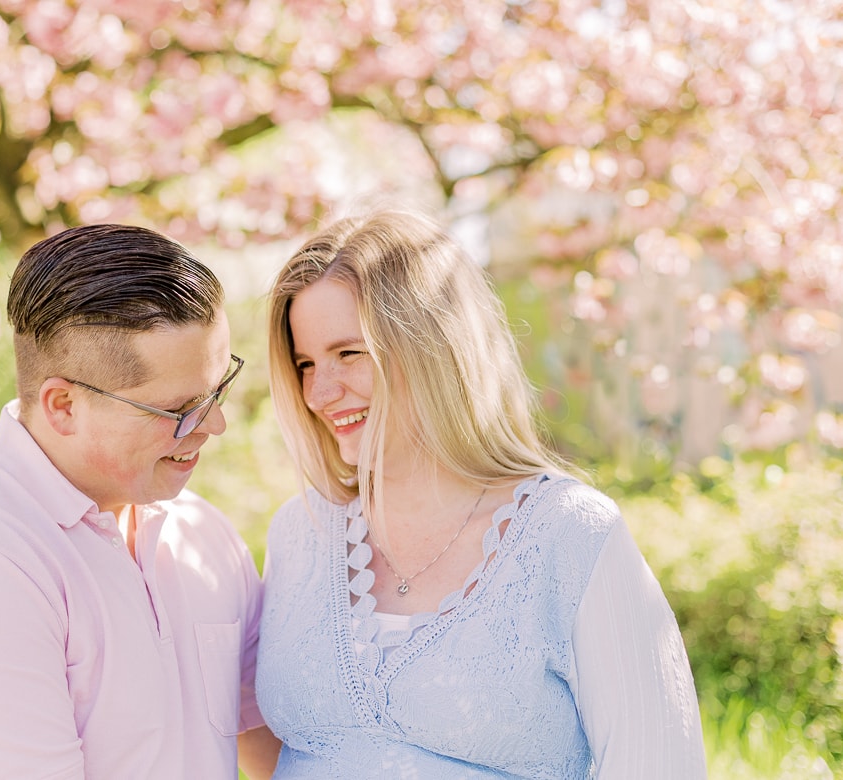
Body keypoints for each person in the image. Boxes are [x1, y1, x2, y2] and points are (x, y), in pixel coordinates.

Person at [255, 210, 706, 778]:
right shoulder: (299, 531)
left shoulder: (568, 533)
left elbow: (657, 765)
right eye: (305, 363)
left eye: (349, 353)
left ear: (433, 346)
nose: (319, 393)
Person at [0, 224, 279, 779]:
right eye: (180, 410)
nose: (214, 425)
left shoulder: (202, 531)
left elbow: (264, 743)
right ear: (63, 406)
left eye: (218, 389)